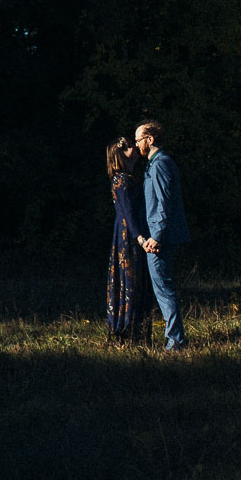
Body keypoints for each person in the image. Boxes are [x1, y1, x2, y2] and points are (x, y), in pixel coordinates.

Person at [135, 119, 190, 350]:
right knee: (161, 289)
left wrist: (156, 236)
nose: (136, 144)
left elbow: (164, 204)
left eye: (139, 139)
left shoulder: (160, 164)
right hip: (157, 236)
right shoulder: (153, 164)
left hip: (161, 239)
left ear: (150, 139)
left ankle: (175, 341)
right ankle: (173, 338)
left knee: (164, 290)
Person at [104, 136, 148, 341]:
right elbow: (128, 213)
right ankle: (126, 329)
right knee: (130, 279)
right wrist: (139, 237)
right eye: (129, 146)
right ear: (121, 154)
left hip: (127, 233)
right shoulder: (122, 179)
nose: (134, 147)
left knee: (132, 280)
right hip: (128, 236)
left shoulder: (127, 178)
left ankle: (130, 329)